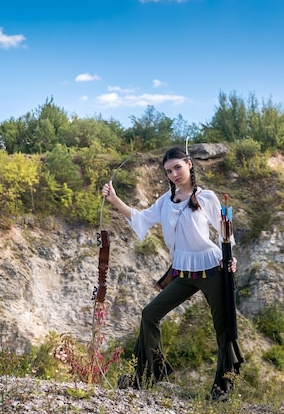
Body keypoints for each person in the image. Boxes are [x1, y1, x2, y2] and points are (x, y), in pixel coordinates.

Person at [101, 146, 244, 401]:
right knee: (150, 314)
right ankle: (152, 372)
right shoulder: (165, 202)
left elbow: (225, 233)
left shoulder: (206, 197)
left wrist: (230, 258)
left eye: (178, 167)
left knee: (223, 331)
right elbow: (140, 218)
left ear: (189, 164)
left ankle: (222, 390)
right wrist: (114, 199)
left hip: (213, 270)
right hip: (183, 273)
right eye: (169, 171)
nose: (174, 174)